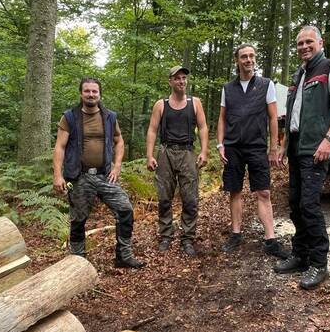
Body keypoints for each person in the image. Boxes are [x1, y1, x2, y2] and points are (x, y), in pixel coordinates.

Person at [274, 25, 330, 289]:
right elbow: (292, 113)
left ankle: (319, 263)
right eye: (299, 44)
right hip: (296, 147)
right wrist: (283, 145)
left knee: (309, 205)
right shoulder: (299, 74)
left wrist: (329, 139)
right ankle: (301, 254)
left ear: (320, 42)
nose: (304, 47)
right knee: (294, 203)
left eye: (309, 42)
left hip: (316, 148)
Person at [53, 77, 144, 268]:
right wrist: (58, 175)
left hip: (105, 175)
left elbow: (119, 141)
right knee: (78, 219)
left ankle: (123, 256)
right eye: (87, 91)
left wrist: (117, 166)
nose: (91, 94)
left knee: (125, 209)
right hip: (79, 176)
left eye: (94, 91)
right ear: (81, 93)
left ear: (100, 94)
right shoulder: (70, 117)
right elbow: (60, 147)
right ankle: (78, 263)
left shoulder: (110, 117)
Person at [216, 44, 288, 257]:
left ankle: (270, 239)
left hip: (257, 146)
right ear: (237, 61)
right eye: (244, 57)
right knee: (235, 190)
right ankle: (236, 234)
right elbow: (221, 118)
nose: (249, 60)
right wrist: (220, 144)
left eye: (251, 56)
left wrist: (273, 147)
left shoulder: (266, 85)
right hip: (233, 147)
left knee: (263, 191)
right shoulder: (228, 89)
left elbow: (273, 118)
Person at [146, 65, 209, 256]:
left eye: (184, 78)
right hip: (166, 152)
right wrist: (149, 155)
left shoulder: (195, 103)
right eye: (177, 78)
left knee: (190, 198)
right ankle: (166, 234)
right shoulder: (161, 104)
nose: (181, 81)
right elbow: (152, 130)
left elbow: (203, 127)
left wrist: (204, 151)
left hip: (188, 153)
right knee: (165, 197)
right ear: (171, 81)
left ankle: (188, 237)